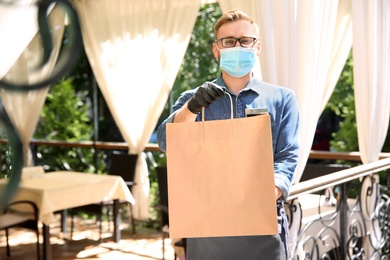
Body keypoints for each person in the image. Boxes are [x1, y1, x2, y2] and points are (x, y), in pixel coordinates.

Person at [157, 9, 300, 260]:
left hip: (263, 228)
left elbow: (287, 158)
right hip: (208, 230)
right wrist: (191, 109)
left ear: (257, 48)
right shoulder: (191, 100)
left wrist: (260, 196)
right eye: (228, 41)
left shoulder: (282, 98)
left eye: (245, 40)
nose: (237, 46)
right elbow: (166, 142)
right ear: (216, 50)